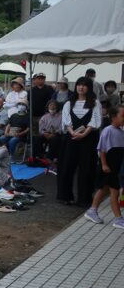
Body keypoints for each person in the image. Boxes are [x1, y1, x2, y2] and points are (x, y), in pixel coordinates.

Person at [57, 76, 102, 205]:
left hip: (88, 140)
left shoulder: (95, 103)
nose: (81, 87)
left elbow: (95, 122)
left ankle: (84, 198)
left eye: (84, 85)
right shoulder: (68, 103)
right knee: (67, 167)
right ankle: (66, 196)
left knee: (86, 169)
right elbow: (66, 122)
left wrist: (84, 134)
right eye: (79, 84)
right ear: (75, 86)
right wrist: (73, 133)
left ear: (89, 87)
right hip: (71, 139)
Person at [84, 106, 124, 229]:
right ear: (113, 117)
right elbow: (101, 149)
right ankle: (118, 218)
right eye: (123, 116)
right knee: (114, 191)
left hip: (115, 166)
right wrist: (104, 164)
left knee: (103, 189)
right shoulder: (108, 130)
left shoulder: (121, 132)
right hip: (108, 166)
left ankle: (92, 210)